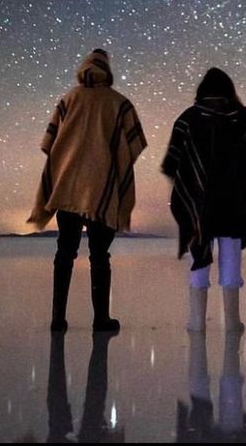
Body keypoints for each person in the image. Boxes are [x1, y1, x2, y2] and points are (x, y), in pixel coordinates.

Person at [28, 48, 147, 333]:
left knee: (64, 253)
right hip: (101, 190)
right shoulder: (120, 104)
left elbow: (49, 143)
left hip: (67, 187)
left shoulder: (68, 100)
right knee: (99, 255)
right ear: (107, 70)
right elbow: (132, 147)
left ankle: (58, 319)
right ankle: (100, 319)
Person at [161, 67, 246, 333]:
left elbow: (172, 163)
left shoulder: (188, 118)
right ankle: (232, 323)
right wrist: (245, 192)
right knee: (231, 260)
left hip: (199, 204)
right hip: (232, 203)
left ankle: (196, 322)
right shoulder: (243, 117)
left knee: (199, 256)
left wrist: (190, 191)